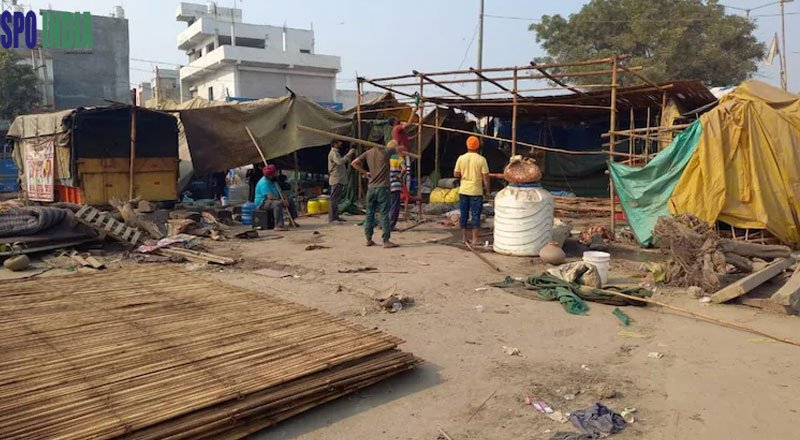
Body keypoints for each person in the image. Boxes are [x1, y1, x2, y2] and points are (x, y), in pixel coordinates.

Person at [351, 140, 402, 248]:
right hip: (383, 188)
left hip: (371, 188)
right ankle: (386, 240)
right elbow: (398, 148)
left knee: (369, 214)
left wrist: (365, 172)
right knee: (384, 214)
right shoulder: (386, 152)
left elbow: (354, 163)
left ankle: (368, 239)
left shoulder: (368, 153)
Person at [454, 135, 490, 246]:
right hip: (476, 192)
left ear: (467, 146)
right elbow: (486, 178)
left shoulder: (461, 158)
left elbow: (456, 174)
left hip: (464, 190)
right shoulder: (481, 160)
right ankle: (474, 239)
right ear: (478, 146)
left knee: (464, 214)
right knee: (475, 215)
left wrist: (462, 175)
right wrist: (488, 192)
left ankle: (464, 238)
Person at [254, 164, 298, 231]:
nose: (276, 173)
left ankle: (292, 221)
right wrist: (282, 200)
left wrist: (285, 199)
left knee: (290, 200)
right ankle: (278, 225)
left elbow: (280, 192)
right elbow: (270, 197)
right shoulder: (264, 183)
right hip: (262, 202)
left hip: (274, 199)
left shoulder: (274, 180)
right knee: (278, 203)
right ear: (270, 175)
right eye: (275, 173)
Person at [327, 140, 356, 223]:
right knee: (333, 199)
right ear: (335, 144)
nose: (341, 144)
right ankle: (332, 218)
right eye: (339, 142)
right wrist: (349, 154)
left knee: (336, 199)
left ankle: (336, 216)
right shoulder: (333, 153)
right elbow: (339, 162)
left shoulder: (336, 152)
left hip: (339, 178)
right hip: (336, 178)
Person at [388, 149, 406, 231]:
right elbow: (404, 169)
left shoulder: (386, 158)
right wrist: (400, 176)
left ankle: (385, 224)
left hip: (386, 184)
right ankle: (391, 225)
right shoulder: (399, 158)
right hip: (395, 185)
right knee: (395, 206)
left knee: (387, 205)